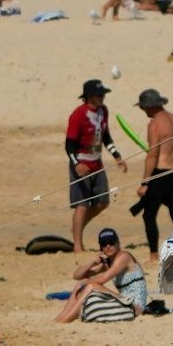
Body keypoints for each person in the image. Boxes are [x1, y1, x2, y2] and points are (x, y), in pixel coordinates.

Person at [126, 88, 173, 263]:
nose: (143, 111)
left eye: (143, 107)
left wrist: (145, 182)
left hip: (160, 173)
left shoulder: (155, 125)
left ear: (149, 107)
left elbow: (152, 155)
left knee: (149, 214)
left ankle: (153, 255)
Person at [65, 79, 125, 254]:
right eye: (100, 95)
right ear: (89, 96)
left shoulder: (103, 111)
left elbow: (105, 136)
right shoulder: (78, 114)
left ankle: (78, 227)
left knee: (103, 202)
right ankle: (77, 245)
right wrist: (77, 165)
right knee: (81, 204)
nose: (103, 97)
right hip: (82, 164)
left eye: (104, 94)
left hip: (97, 163)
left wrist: (116, 155)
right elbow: (69, 145)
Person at [54, 227, 146, 323]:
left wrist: (82, 285)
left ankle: (65, 320)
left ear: (118, 244)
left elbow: (101, 280)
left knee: (90, 286)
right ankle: (59, 318)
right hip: (126, 301)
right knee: (82, 282)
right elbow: (77, 275)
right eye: (104, 244)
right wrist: (92, 262)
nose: (108, 246)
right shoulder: (110, 263)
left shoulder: (124, 257)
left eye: (111, 242)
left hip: (136, 307)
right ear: (101, 248)